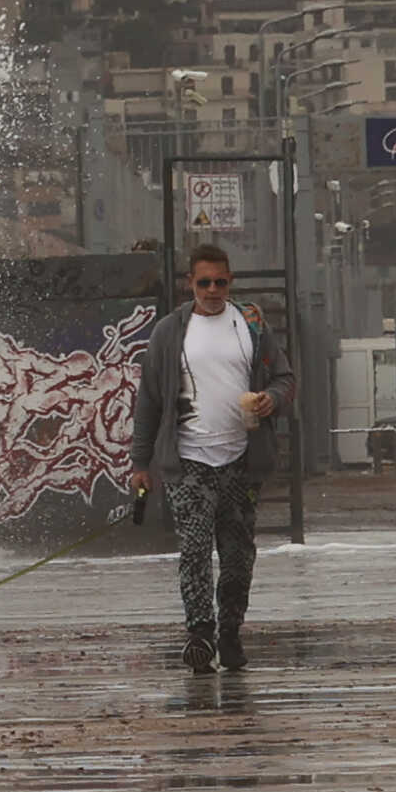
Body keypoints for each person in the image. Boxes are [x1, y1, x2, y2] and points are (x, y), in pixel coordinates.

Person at [129, 243, 296, 674]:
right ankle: (199, 633)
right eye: (204, 282)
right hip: (188, 461)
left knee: (239, 556)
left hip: (241, 461)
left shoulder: (251, 325)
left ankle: (229, 632)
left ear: (231, 282)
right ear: (190, 284)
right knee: (195, 550)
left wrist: (270, 399)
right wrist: (140, 463)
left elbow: (284, 377)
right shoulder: (170, 332)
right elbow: (148, 401)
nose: (213, 290)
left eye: (221, 282)